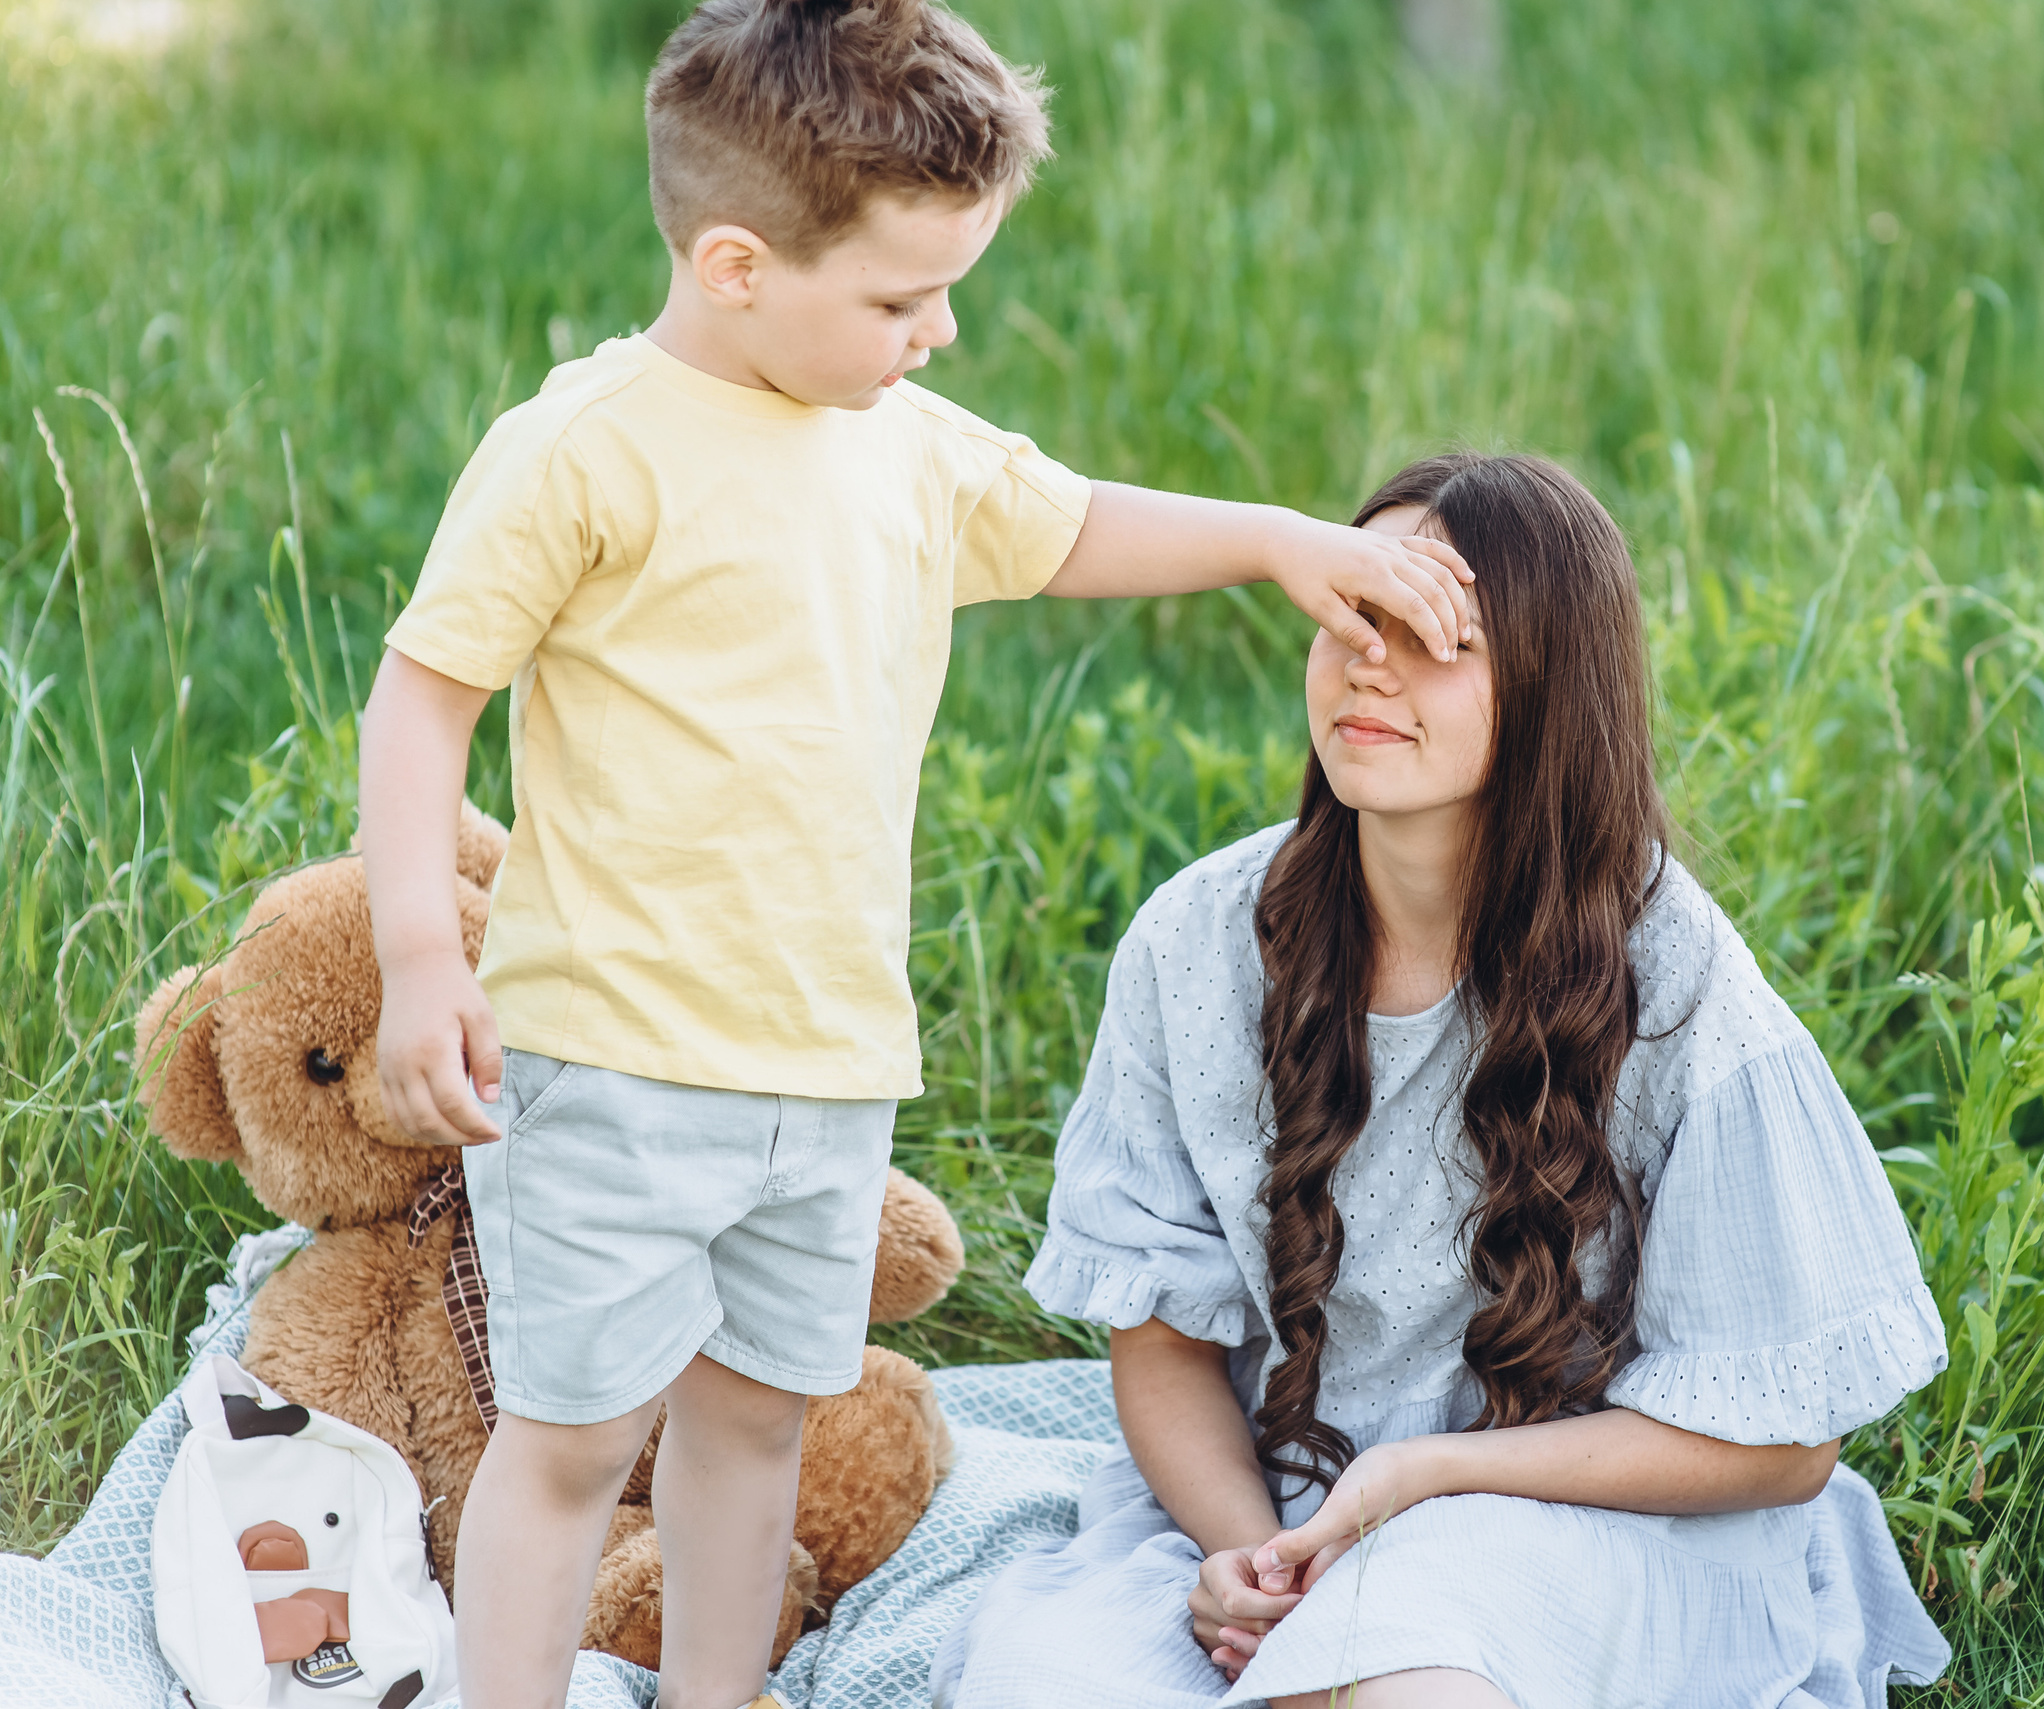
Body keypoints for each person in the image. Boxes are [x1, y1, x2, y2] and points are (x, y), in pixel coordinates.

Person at [355, 2, 1477, 1706]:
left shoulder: (906, 445)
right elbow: (424, 695)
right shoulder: (587, 450)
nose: (937, 331)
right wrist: (428, 956)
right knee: (575, 1437)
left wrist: (1279, 543)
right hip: (612, 1054)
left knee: (755, 1426)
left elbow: (1080, 519)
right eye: (898, 298)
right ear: (735, 263)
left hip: (825, 1061)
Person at [933, 454, 1953, 1709]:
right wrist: (1243, 1554)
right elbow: (1161, 1341)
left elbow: (1785, 1445)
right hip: (1285, 1497)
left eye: (1433, 636)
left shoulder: (1676, 981)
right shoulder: (1198, 941)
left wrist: (1422, 1477)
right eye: (1354, 617)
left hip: (1579, 1514)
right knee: (1041, 1684)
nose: (1372, 662)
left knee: (1409, 1675)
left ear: (1549, 689)